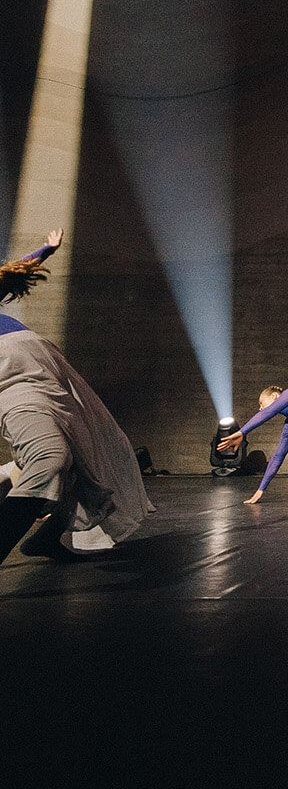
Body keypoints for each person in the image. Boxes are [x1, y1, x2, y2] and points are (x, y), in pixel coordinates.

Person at [0, 230, 150, 566]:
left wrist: (47, 249)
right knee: (50, 458)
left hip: (47, 365)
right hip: (11, 374)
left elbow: (13, 272)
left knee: (82, 463)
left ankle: (47, 537)